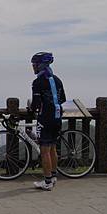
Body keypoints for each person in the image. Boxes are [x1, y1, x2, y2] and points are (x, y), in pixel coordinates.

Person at [29, 52, 66, 191]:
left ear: (39, 65)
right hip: (57, 117)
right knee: (52, 148)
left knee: (44, 150)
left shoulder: (38, 82)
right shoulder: (57, 80)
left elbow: (36, 104)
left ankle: (47, 181)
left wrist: (31, 109)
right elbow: (62, 99)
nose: (33, 67)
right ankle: (54, 177)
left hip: (45, 117)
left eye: (34, 65)